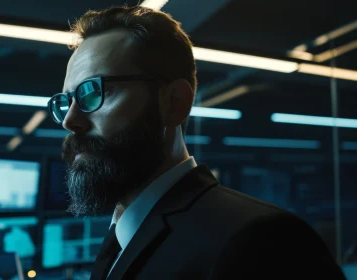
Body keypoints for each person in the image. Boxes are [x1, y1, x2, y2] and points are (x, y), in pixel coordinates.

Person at [47, 5, 346, 280]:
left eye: (92, 92)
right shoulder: (122, 236)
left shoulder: (263, 241)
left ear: (174, 103)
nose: (69, 121)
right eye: (67, 101)